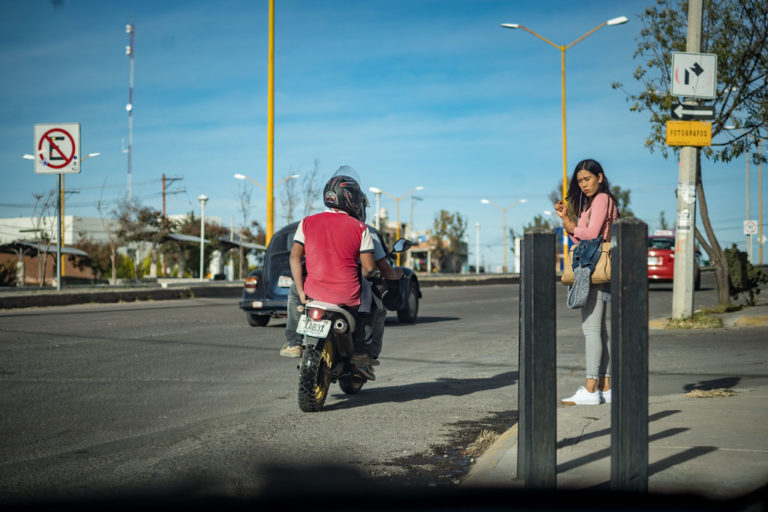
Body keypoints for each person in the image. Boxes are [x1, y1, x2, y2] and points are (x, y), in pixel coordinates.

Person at [554, 158, 619, 405]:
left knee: (591, 330)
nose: (583, 185)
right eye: (579, 181)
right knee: (599, 330)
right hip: (593, 266)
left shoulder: (602, 199)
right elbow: (581, 242)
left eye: (587, 179)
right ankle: (605, 386)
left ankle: (591, 389)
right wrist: (567, 220)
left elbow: (591, 235)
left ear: (600, 178)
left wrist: (570, 224)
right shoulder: (591, 204)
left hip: (594, 269)